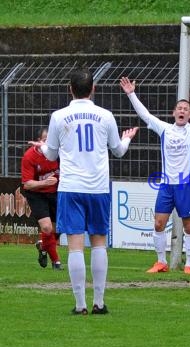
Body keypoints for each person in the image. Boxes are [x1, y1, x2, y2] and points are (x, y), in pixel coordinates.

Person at [33, 68, 138, 315]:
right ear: (93, 89)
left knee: (75, 246)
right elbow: (118, 151)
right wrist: (127, 139)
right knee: (99, 243)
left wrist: (42, 147)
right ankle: (99, 303)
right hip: (98, 187)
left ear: (70, 89)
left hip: (71, 187)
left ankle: (80, 305)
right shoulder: (105, 115)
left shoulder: (59, 116)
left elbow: (51, 154)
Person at [119, 73, 190, 275]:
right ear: (173, 113)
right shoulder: (164, 129)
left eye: (186, 109)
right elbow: (146, 115)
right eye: (179, 108)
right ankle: (161, 262)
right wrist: (131, 95)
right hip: (166, 184)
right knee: (158, 222)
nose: (182, 111)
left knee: (188, 225)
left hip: (187, 184)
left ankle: (189, 264)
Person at [21, 127, 62, 270]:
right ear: (39, 141)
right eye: (45, 140)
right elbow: (27, 184)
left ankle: (43, 247)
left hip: (55, 193)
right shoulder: (29, 156)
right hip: (36, 194)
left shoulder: (59, 154)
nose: (48, 144)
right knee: (46, 227)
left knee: (58, 228)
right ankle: (56, 262)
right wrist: (44, 183)